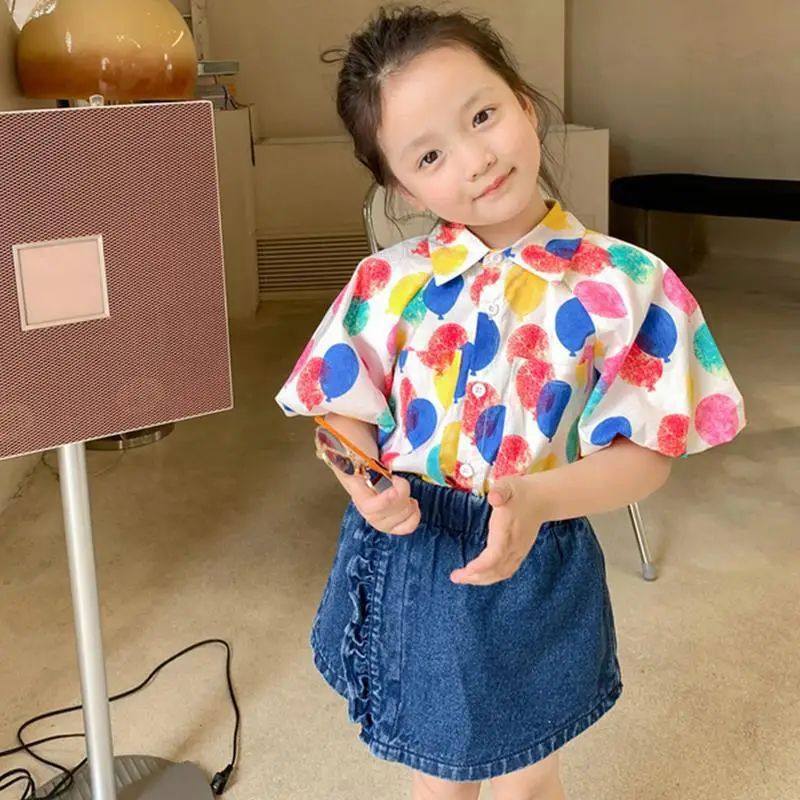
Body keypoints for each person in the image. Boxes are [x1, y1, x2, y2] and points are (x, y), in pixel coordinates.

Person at [274, 5, 746, 798]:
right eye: (430, 154)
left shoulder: (630, 283)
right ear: (401, 184)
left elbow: (648, 454)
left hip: (538, 550)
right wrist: (360, 477)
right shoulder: (386, 283)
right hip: (415, 551)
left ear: (524, 102)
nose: (476, 159)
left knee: (529, 776)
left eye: (483, 115)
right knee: (437, 779)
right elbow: (335, 405)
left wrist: (539, 499)